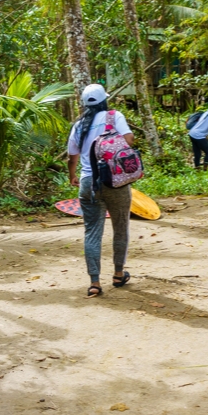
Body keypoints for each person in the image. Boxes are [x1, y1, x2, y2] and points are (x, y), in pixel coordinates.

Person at [67, 84, 135, 298]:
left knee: (92, 232)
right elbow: (129, 140)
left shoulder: (79, 125)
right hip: (115, 181)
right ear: (105, 100)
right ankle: (117, 273)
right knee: (120, 227)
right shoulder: (114, 117)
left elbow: (72, 156)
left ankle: (94, 282)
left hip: (89, 182)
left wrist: (72, 176)